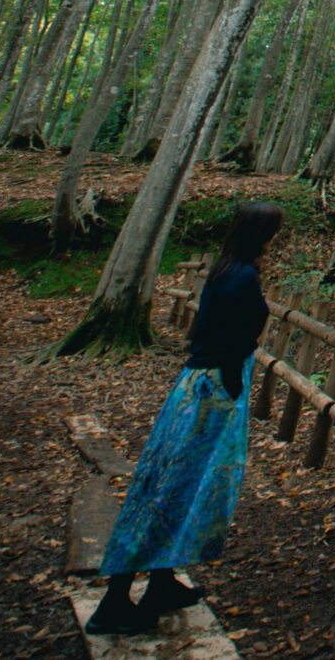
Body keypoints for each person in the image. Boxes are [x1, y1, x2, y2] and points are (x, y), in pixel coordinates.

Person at [86, 201, 282, 635]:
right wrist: (232, 385)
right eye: (272, 231)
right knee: (172, 491)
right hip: (214, 393)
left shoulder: (224, 269)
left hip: (200, 387)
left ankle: (160, 582)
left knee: (181, 487)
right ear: (258, 234)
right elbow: (234, 338)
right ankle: (115, 600)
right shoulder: (243, 278)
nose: (275, 239)